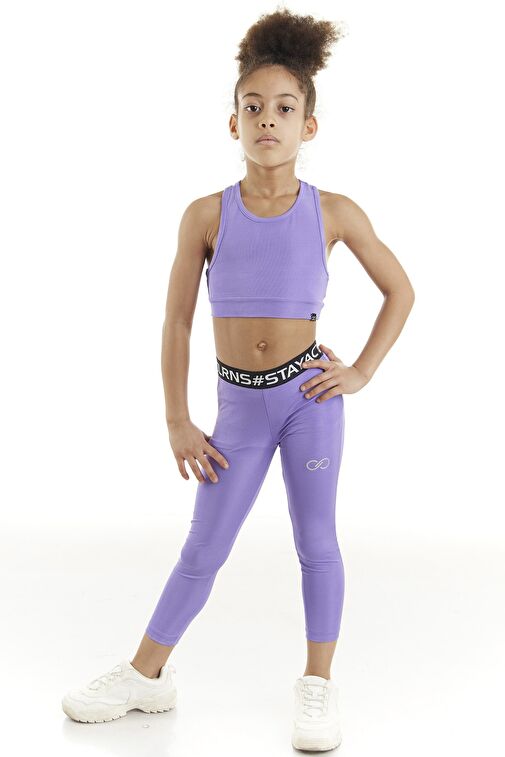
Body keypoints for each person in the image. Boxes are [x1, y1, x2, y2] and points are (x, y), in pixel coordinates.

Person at [62, 7, 415, 750]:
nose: (267, 120)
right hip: (238, 408)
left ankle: (317, 683)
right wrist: (176, 419)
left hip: (309, 400)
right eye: (252, 107)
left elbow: (400, 290)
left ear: (308, 126)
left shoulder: (333, 212)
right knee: (204, 547)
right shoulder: (205, 215)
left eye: (283, 108)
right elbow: (177, 323)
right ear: (232, 123)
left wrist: (359, 371)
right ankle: (147, 676)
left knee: (316, 540)